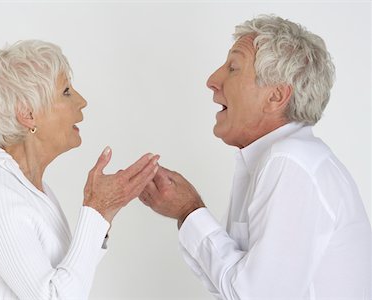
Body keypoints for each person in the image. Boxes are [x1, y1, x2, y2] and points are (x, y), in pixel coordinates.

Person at [140, 15, 371, 299]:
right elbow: (228, 283)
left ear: (275, 96)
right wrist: (185, 212)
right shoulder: (269, 160)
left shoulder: (291, 162)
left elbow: (254, 295)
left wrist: (189, 211)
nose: (212, 80)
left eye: (233, 68)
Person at [0, 40, 159, 299]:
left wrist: (103, 215)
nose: (82, 101)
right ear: (27, 114)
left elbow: (67, 281)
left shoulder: (34, 190)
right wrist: (96, 210)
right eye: (66, 91)